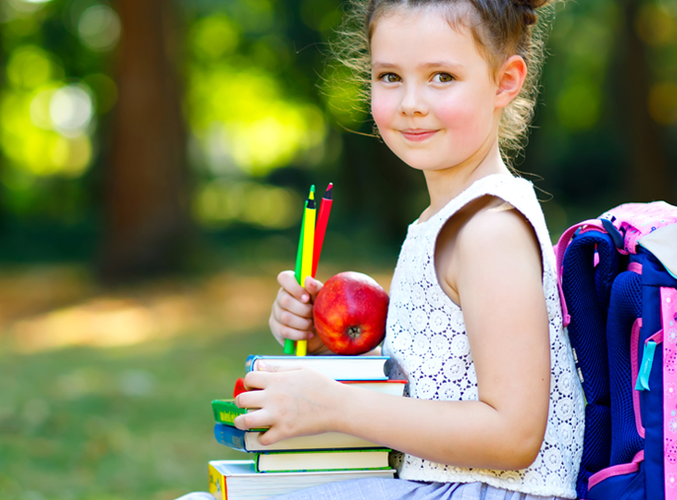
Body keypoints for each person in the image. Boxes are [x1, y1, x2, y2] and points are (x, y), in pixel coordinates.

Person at [197, 0, 584, 498]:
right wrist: (329, 347)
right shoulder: (441, 220)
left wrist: (335, 405)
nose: (411, 103)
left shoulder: (491, 231)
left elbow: (513, 435)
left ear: (505, 82)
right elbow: (437, 387)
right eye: (390, 77)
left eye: (442, 77)